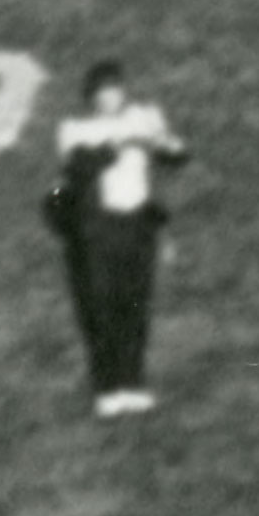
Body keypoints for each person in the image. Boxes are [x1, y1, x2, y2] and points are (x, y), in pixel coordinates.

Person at [48, 63, 182, 419]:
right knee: (102, 306)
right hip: (99, 229)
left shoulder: (143, 116)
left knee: (136, 303)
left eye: (115, 90)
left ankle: (133, 381)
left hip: (138, 224)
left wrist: (161, 136)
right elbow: (78, 167)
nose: (111, 98)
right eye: (103, 92)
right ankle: (107, 386)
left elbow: (176, 157)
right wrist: (118, 141)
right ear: (92, 97)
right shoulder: (76, 129)